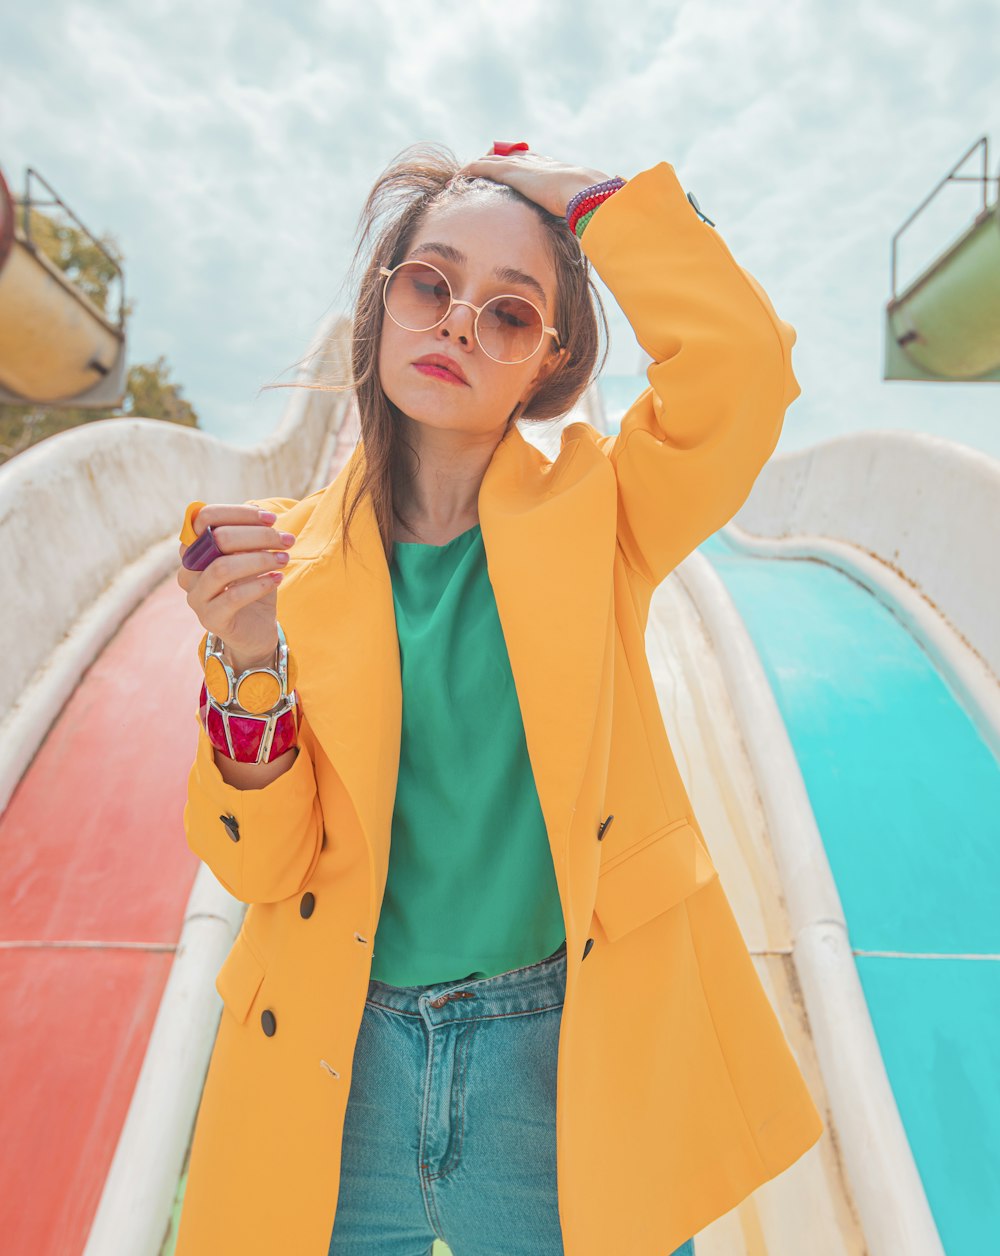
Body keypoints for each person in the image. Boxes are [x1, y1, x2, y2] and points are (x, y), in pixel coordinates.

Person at [173, 142, 822, 1256]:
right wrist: (247, 653)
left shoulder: (600, 511)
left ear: (546, 364)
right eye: (431, 284)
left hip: (558, 1065)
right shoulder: (277, 561)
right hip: (338, 1067)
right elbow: (260, 866)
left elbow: (742, 370)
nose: (458, 326)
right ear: (382, 300)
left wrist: (586, 199)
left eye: (508, 313)